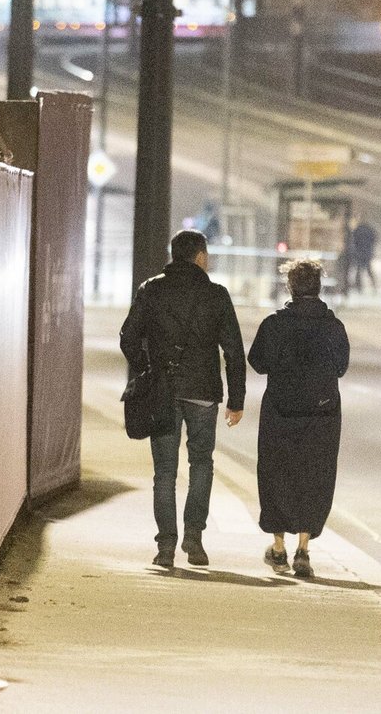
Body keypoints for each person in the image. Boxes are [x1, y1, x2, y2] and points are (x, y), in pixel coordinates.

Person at [120, 230, 246, 568]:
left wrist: (147, 369)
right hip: (203, 392)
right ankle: (194, 537)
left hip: (163, 391)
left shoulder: (152, 289)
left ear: (173, 255)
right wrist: (237, 399)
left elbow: (128, 337)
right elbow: (233, 350)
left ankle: (165, 547)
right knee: (201, 463)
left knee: (164, 472)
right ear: (201, 257)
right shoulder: (216, 295)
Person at [248, 259, 349, 578]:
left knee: (276, 473)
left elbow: (258, 362)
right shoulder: (333, 327)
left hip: (280, 411)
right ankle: (304, 549)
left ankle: (278, 549)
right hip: (322, 414)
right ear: (318, 288)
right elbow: (341, 367)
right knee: (314, 475)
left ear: (290, 287)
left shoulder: (275, 324)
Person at [350, 218, 378, 293]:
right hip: (367, 253)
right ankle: (374, 286)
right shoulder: (370, 230)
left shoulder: (357, 230)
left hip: (359, 253)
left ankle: (359, 287)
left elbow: (353, 241)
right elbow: (374, 240)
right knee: (369, 270)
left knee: (359, 270)